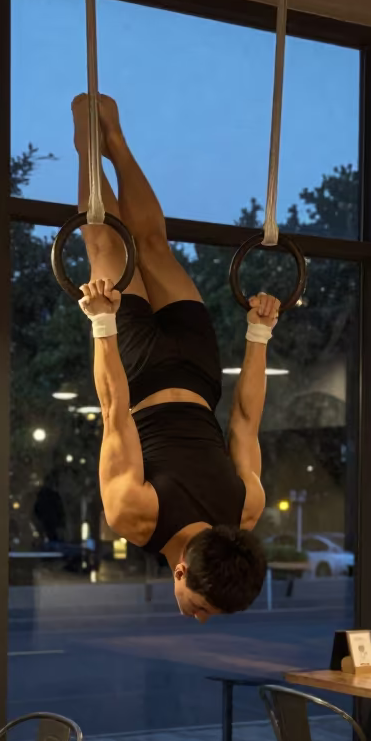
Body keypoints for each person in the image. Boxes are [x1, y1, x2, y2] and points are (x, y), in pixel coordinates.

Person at [73, 93, 279, 623]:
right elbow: (115, 410)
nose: (199, 617)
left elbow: (247, 421)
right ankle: (93, 145)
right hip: (141, 369)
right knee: (108, 247)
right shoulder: (135, 517)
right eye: (203, 607)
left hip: (197, 367)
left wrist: (258, 336)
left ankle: (107, 145)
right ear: (182, 573)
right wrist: (101, 323)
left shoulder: (246, 512)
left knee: (150, 247)